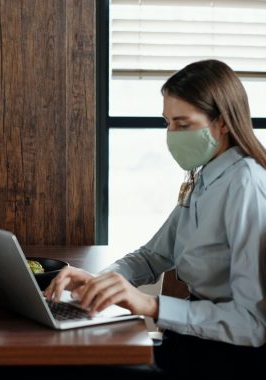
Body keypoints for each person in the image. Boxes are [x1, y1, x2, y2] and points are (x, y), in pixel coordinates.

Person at [46, 60, 266, 378]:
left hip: (226, 360)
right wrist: (99, 283)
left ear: (222, 123)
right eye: (168, 123)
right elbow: (152, 257)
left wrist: (152, 306)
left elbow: (253, 323)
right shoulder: (204, 179)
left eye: (183, 124)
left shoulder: (246, 183)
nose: (171, 135)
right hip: (191, 344)